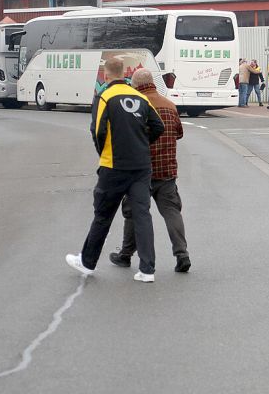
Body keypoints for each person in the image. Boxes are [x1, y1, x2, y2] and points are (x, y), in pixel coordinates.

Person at [66, 58, 165, 283]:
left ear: (106, 74)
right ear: (124, 73)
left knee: (103, 215)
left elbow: (97, 130)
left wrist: (104, 153)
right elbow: (158, 126)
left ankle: (87, 261)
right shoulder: (140, 97)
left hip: (114, 165)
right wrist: (142, 143)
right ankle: (147, 270)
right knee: (142, 215)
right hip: (141, 166)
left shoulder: (105, 97)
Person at [109, 69, 191, 274]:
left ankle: (126, 255)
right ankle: (182, 254)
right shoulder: (170, 105)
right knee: (172, 212)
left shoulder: (135, 106)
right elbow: (179, 133)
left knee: (133, 212)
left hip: (140, 171)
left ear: (135, 85)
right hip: (167, 171)